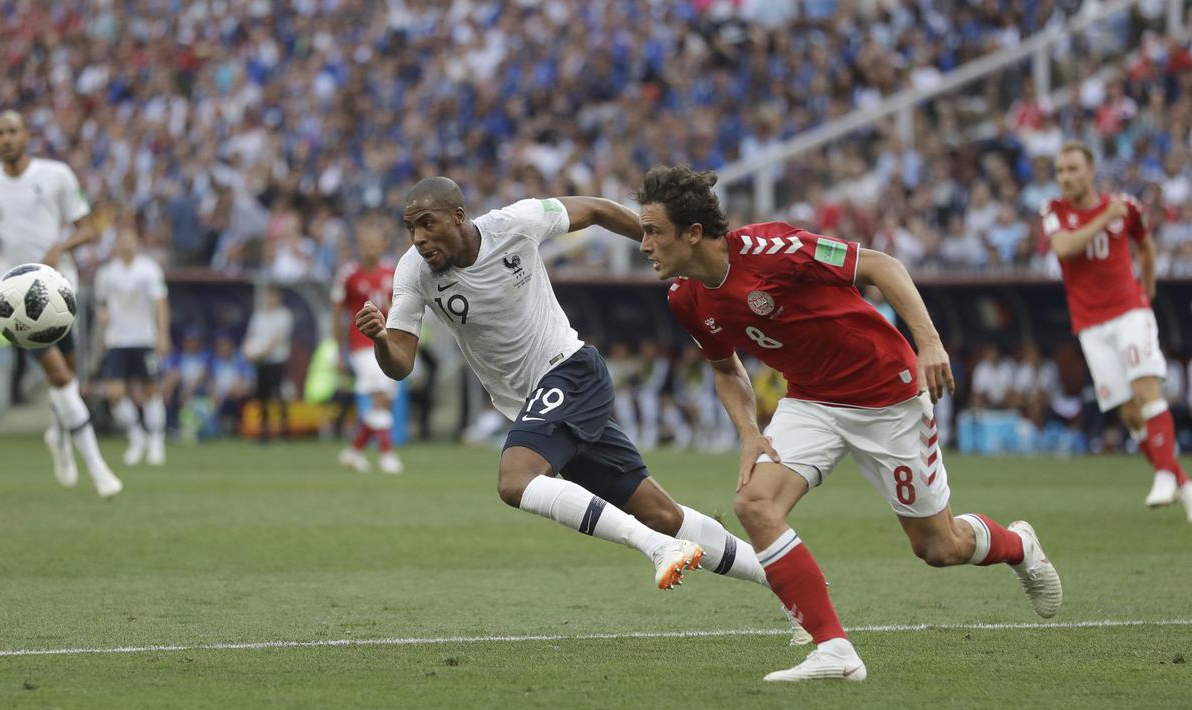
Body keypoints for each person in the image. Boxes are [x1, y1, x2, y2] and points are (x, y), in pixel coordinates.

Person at [633, 165, 1061, 682]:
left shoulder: (776, 249)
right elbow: (726, 369)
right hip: (811, 401)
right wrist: (750, 432)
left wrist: (928, 342)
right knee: (754, 503)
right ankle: (833, 649)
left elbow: (882, 266)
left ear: (693, 233)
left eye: (653, 231)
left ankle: (1019, 545)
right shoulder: (686, 299)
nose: (643, 244)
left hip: (887, 396)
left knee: (938, 547)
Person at [355, 177, 804, 608]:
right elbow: (401, 364)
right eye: (410, 228)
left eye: (427, 223)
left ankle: (656, 549)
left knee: (515, 481)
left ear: (458, 216)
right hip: (536, 404)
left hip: (570, 372)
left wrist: (666, 250)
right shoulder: (413, 272)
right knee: (665, 515)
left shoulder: (515, 222)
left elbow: (597, 210)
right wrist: (380, 340)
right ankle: (791, 584)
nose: (418, 237)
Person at [0, 110, 122, 498]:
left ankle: (58, 435)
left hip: (58, 289)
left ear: (27, 137)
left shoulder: (56, 176)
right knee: (59, 377)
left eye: (13, 131)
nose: (6, 138)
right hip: (13, 298)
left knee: (66, 378)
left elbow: (87, 228)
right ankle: (99, 470)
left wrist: (61, 246)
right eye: (0, 132)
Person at [1041, 141, 1191, 520]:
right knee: (1128, 413)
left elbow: (1146, 246)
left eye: (1073, 169)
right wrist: (1103, 217)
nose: (1066, 177)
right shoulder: (1054, 211)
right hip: (1090, 326)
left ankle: (1162, 473)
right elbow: (1065, 248)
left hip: (1128, 312)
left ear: (1091, 172)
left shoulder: (1127, 207)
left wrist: (1149, 292)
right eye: (1060, 171)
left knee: (1145, 389)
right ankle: (1184, 484)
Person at [332, 218, 403, 474]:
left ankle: (353, 451)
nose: (370, 249)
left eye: (375, 244)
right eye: (366, 244)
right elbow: (337, 313)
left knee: (385, 402)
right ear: (359, 246)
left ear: (382, 245)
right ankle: (387, 455)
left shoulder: (393, 272)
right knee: (381, 398)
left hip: (388, 344)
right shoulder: (349, 275)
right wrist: (337, 350)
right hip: (361, 344)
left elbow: (400, 308)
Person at [95, 227, 170, 466]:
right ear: (116, 244)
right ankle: (136, 437)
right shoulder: (106, 273)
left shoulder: (149, 269)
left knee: (151, 391)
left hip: (144, 338)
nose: (126, 244)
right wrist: (102, 316)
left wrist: (162, 335)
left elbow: (160, 304)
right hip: (118, 339)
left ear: (137, 243)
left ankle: (156, 441)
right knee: (115, 394)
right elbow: (101, 303)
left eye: (130, 239)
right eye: (122, 239)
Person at [243, 284, 294, 442]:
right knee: (262, 396)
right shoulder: (259, 316)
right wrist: (248, 351)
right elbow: (251, 335)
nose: (270, 299)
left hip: (276, 360)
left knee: (277, 394)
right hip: (260, 361)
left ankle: (283, 430)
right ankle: (264, 431)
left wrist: (263, 352)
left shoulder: (284, 315)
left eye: (273, 296)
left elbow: (279, 338)